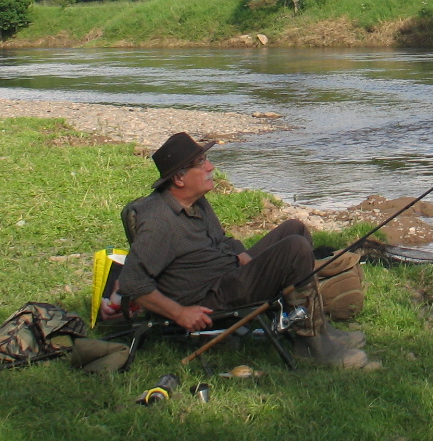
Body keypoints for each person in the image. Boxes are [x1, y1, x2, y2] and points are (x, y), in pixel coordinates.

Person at [120, 132, 367, 367]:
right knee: (295, 249)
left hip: (229, 272)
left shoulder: (195, 201)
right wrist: (180, 312)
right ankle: (312, 346)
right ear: (179, 178)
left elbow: (221, 239)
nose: (210, 167)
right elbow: (133, 282)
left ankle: (317, 325)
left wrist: (245, 256)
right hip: (211, 295)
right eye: (201, 163)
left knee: (295, 229)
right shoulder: (158, 222)